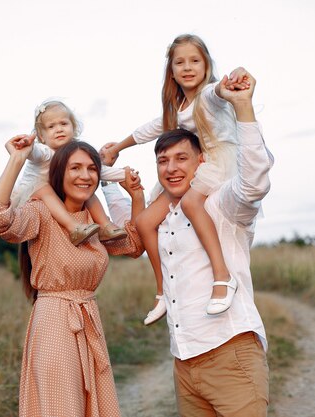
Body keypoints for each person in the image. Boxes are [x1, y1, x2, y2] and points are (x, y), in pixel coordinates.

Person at [103, 70, 273, 416]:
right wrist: (111, 184)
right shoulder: (162, 215)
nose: (171, 168)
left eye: (181, 158)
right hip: (183, 364)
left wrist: (243, 107)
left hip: (231, 354)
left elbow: (253, 184)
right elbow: (129, 233)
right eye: (163, 161)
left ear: (202, 161)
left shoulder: (221, 205)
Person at [0, 139, 145, 417]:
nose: (85, 175)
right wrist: (17, 160)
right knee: (61, 407)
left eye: (92, 168)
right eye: (75, 168)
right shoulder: (41, 212)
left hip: (88, 316)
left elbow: (133, 246)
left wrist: (137, 196)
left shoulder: (95, 217)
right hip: (55, 321)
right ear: (58, 173)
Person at [102, 34, 250, 324]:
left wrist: (231, 81)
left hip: (218, 161)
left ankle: (222, 276)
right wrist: (118, 147)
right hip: (193, 167)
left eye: (195, 60)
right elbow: (151, 128)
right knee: (145, 221)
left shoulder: (209, 94)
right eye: (179, 62)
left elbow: (218, 91)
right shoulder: (179, 107)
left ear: (206, 65)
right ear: (171, 71)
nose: (187, 67)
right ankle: (162, 290)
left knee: (193, 203)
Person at [10, 99, 132, 245]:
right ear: (41, 136)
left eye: (64, 123)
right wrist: (27, 146)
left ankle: (105, 227)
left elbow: (100, 171)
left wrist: (125, 175)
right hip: (29, 197)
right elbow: (34, 153)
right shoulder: (44, 151)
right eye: (51, 127)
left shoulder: (75, 154)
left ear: (73, 128)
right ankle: (73, 228)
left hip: (55, 196)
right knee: (43, 187)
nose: (59, 129)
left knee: (85, 187)